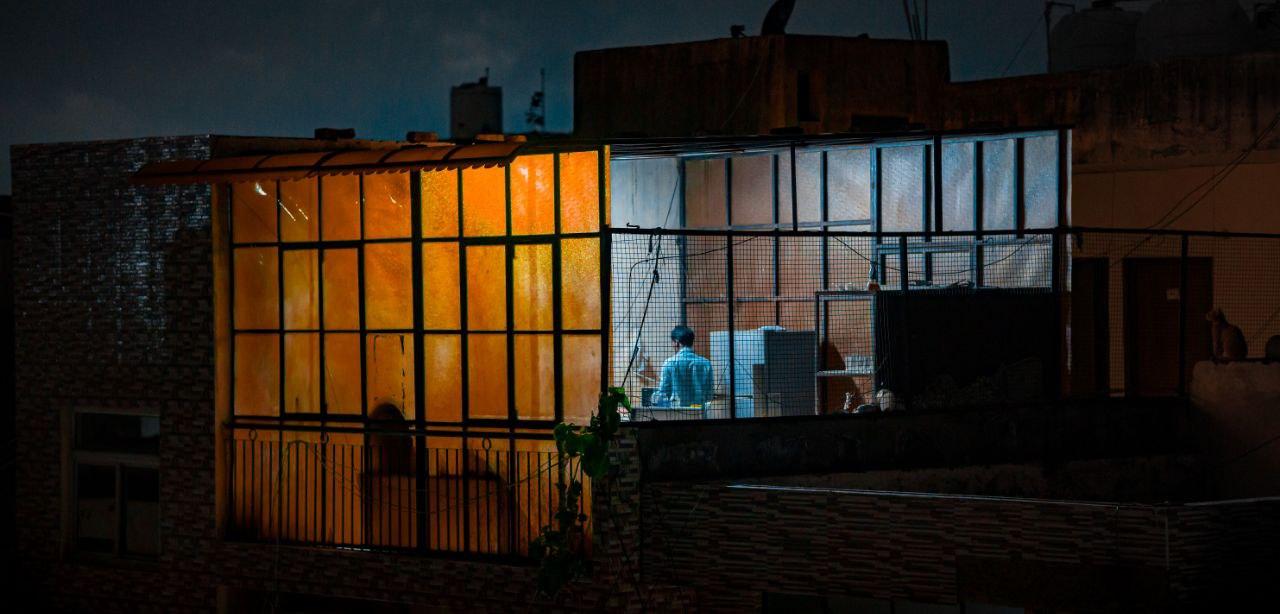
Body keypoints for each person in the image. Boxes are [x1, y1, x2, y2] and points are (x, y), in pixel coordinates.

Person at [651, 326, 714, 408]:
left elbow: (664, 393)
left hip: (677, 413)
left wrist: (653, 396)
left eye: (672, 342)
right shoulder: (706, 363)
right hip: (699, 412)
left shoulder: (669, 363)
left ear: (676, 342)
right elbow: (709, 394)